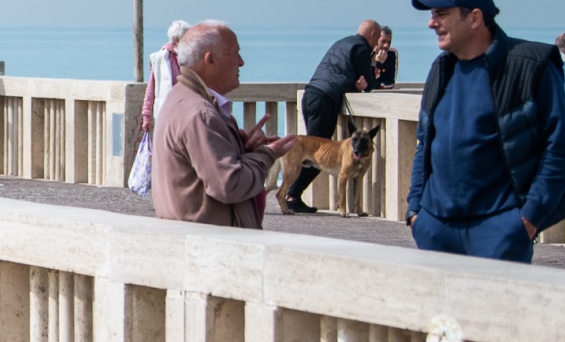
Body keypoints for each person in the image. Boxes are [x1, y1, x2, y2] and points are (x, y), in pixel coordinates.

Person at [405, 0, 565, 264]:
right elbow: (425, 143)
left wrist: (527, 219)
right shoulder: (440, 69)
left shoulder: (530, 65)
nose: (431, 24)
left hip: (499, 230)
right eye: (432, 15)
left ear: (475, 18)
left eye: (441, 14)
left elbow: (561, 146)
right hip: (435, 228)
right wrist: (416, 212)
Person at [151, 22, 294, 228]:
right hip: (210, 240)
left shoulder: (182, 98)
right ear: (210, 60)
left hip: (191, 235)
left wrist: (242, 150)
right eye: (235, 54)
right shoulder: (200, 113)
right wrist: (265, 155)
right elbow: (229, 185)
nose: (241, 62)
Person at [284, 19, 383, 213]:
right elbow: (370, 83)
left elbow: (338, 73)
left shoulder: (342, 43)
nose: (376, 44)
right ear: (372, 35)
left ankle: (292, 194)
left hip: (311, 94)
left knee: (314, 149)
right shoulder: (361, 49)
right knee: (318, 152)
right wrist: (368, 80)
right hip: (325, 99)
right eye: (377, 38)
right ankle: (292, 195)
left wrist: (353, 84)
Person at [140, 19, 189, 144]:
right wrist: (146, 116)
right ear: (176, 39)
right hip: (167, 113)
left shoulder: (190, 57)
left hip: (186, 112)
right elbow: (151, 89)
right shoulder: (161, 58)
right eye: (186, 38)